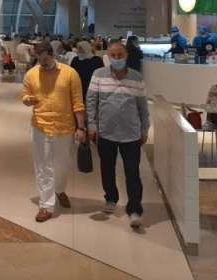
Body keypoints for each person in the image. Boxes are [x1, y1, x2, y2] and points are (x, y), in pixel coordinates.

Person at [86, 41, 150, 228]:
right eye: (113, 55)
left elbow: (143, 107)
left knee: (132, 172)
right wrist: (92, 125)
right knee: (107, 168)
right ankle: (111, 198)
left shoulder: (136, 77)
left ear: (126, 55)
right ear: (108, 56)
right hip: (106, 132)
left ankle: (135, 209)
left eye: (119, 55)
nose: (116, 58)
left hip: (131, 133)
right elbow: (91, 101)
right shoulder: (98, 74)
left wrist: (145, 129)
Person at [22, 41, 86, 223]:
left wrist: (81, 127)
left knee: (62, 164)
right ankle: (46, 204)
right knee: (43, 166)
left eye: (45, 60)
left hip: (65, 127)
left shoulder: (70, 73)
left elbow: (78, 102)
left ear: (52, 55)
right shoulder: (31, 74)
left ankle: (59, 190)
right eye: (39, 60)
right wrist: (28, 100)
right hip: (41, 126)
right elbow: (25, 95)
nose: (42, 64)